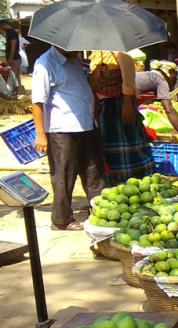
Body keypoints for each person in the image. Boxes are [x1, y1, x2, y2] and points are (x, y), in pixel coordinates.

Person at [31, 46, 105, 231]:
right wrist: (40, 134)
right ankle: (61, 219)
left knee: (93, 172)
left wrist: (95, 79)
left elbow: (81, 89)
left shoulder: (75, 62)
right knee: (64, 174)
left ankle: (99, 210)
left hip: (86, 125)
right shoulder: (45, 64)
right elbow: (37, 102)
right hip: (61, 129)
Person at [88, 51, 154, 186]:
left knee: (128, 141)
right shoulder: (96, 54)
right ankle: (116, 182)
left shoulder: (120, 53)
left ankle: (135, 181)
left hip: (120, 105)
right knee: (108, 148)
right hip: (104, 108)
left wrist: (127, 102)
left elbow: (128, 79)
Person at [136, 61, 178, 148]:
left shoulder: (145, 75)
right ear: (169, 73)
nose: (175, 78)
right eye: (174, 74)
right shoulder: (160, 80)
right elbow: (169, 109)